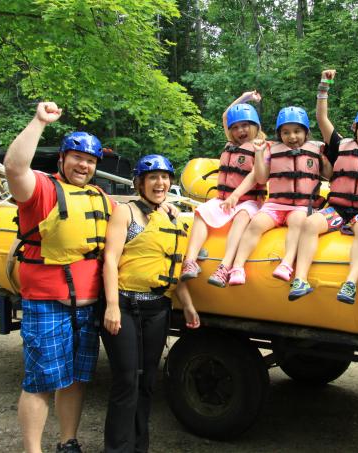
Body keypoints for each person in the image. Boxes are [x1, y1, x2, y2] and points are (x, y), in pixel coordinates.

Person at [5, 102, 114, 453]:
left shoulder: (99, 196)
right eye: (77, 157)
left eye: (91, 160)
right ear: (63, 159)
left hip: (86, 306)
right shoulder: (41, 190)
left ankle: (68, 442)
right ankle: (32, 450)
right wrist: (39, 121)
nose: (84, 165)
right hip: (47, 304)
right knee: (41, 382)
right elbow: (14, 166)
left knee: (75, 380)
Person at [101, 154, 200, 453]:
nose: (160, 183)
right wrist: (111, 305)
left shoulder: (171, 216)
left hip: (157, 309)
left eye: (165, 177)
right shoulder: (126, 213)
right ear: (140, 182)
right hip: (125, 306)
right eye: (153, 177)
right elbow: (109, 259)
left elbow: (173, 266)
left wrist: (189, 304)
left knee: (147, 384)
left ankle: (139, 447)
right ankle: (117, 449)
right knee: (126, 381)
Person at [289, 69, 358, 303]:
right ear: (356, 126)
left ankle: (351, 283)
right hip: (335, 209)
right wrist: (324, 85)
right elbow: (321, 118)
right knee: (311, 222)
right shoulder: (340, 144)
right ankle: (301, 279)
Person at [227, 106, 332, 285]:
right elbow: (261, 177)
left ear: (306, 132)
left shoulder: (315, 151)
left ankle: (287, 263)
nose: (292, 137)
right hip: (275, 205)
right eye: (286, 132)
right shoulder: (271, 150)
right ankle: (237, 266)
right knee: (255, 225)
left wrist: (324, 158)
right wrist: (259, 154)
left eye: (297, 131)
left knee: (299, 222)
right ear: (279, 134)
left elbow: (329, 175)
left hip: (301, 206)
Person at [180, 91, 267, 287]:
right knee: (201, 212)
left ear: (255, 126)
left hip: (249, 202)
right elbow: (226, 116)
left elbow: (257, 176)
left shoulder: (261, 147)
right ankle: (190, 261)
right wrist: (245, 97)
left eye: (245, 125)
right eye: (235, 127)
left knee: (242, 216)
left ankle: (225, 266)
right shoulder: (230, 144)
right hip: (224, 199)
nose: (240, 131)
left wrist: (236, 196)